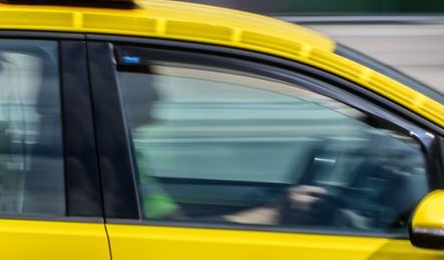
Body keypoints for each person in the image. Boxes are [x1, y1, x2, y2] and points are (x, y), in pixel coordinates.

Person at [119, 69, 325, 225]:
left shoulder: (122, 152)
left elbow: (171, 224)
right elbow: (178, 233)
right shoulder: (112, 158)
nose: (160, 96)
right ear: (121, 92)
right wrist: (277, 213)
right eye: (148, 83)